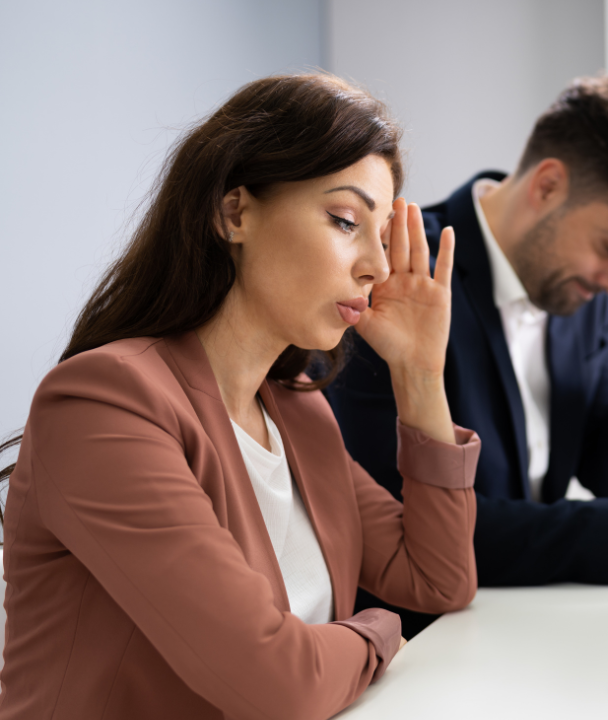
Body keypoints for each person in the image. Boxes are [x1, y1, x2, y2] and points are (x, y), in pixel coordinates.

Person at [0, 74, 478, 720]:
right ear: (235, 212)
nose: (377, 266)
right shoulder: (102, 405)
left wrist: (420, 375)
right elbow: (279, 683)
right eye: (345, 220)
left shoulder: (296, 409)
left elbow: (437, 579)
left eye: (382, 235)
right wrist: (379, 631)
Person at [327, 74, 608, 637]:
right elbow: (414, 525)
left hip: (526, 615)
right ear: (547, 185)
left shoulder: (577, 290)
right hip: (426, 639)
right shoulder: (402, 279)